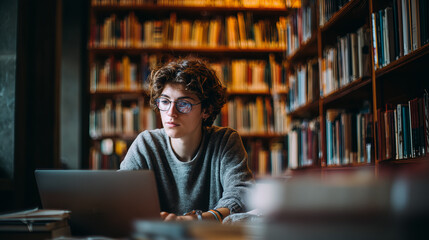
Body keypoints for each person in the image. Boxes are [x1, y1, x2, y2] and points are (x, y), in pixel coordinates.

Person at [120, 57, 254, 222]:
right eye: (165, 101)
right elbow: (121, 198)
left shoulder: (225, 141)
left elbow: (241, 194)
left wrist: (200, 220)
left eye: (183, 104)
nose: (171, 113)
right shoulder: (146, 144)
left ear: (206, 110)